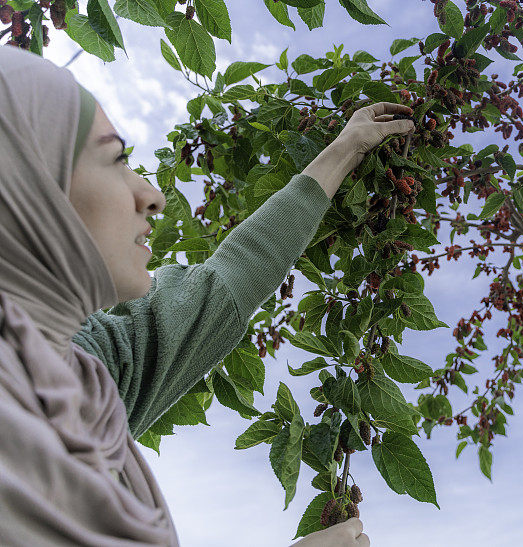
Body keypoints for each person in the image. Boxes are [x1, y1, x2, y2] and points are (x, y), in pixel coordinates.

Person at [0, 45, 415, 546]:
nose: (151, 194)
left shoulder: (95, 371)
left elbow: (233, 276)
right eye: (115, 160)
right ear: (27, 190)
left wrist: (346, 148)